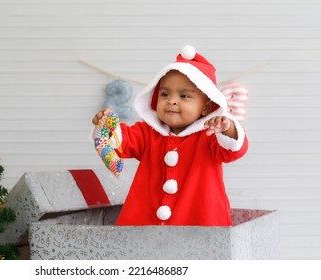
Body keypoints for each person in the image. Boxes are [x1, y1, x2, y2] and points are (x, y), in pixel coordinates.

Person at [92, 45, 248, 226]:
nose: (172, 100)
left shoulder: (210, 135)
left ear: (206, 107)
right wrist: (106, 125)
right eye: (165, 94)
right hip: (146, 220)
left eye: (184, 96)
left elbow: (234, 149)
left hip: (198, 220)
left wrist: (227, 128)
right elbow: (121, 141)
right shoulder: (147, 133)